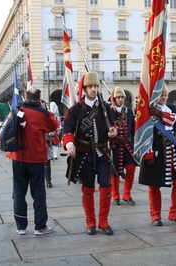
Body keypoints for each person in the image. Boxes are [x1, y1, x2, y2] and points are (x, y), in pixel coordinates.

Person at [63, 72, 117, 236]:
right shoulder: (76, 109)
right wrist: (69, 143)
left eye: (95, 86)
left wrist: (113, 132)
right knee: (87, 188)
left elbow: (113, 125)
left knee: (106, 186)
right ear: (84, 89)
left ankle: (103, 221)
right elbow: (68, 129)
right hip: (84, 156)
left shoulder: (106, 107)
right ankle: (91, 222)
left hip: (102, 153)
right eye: (90, 87)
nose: (94, 89)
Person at [6, 88, 59, 236]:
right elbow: (54, 126)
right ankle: (40, 226)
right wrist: (45, 109)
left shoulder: (17, 109)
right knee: (38, 192)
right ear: (39, 99)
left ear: (27, 97)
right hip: (35, 158)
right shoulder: (41, 114)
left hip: (17, 157)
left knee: (19, 192)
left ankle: (21, 226)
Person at [138, 84, 176, 227]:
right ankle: (155, 215)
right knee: (154, 185)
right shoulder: (147, 111)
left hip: (172, 149)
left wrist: (160, 113)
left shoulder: (171, 108)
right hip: (155, 151)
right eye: (161, 95)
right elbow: (141, 131)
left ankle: (175, 213)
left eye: (166, 95)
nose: (164, 97)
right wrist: (146, 152)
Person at [110, 86, 136, 206]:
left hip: (128, 144)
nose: (120, 99)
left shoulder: (129, 111)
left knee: (131, 168)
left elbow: (133, 128)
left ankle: (127, 194)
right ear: (114, 99)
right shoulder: (110, 111)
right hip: (115, 146)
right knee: (114, 172)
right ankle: (115, 195)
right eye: (118, 97)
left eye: (122, 97)